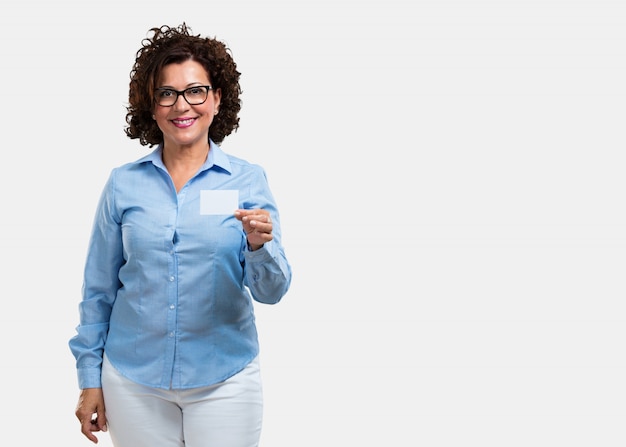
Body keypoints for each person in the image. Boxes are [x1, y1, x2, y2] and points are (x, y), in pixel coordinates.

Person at [68, 23, 292, 447]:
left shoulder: (246, 181)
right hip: (133, 381)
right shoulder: (122, 184)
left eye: (195, 91)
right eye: (166, 93)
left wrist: (260, 247)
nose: (181, 105)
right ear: (151, 107)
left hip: (224, 379)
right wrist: (89, 377)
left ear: (217, 97)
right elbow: (98, 290)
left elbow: (272, 292)